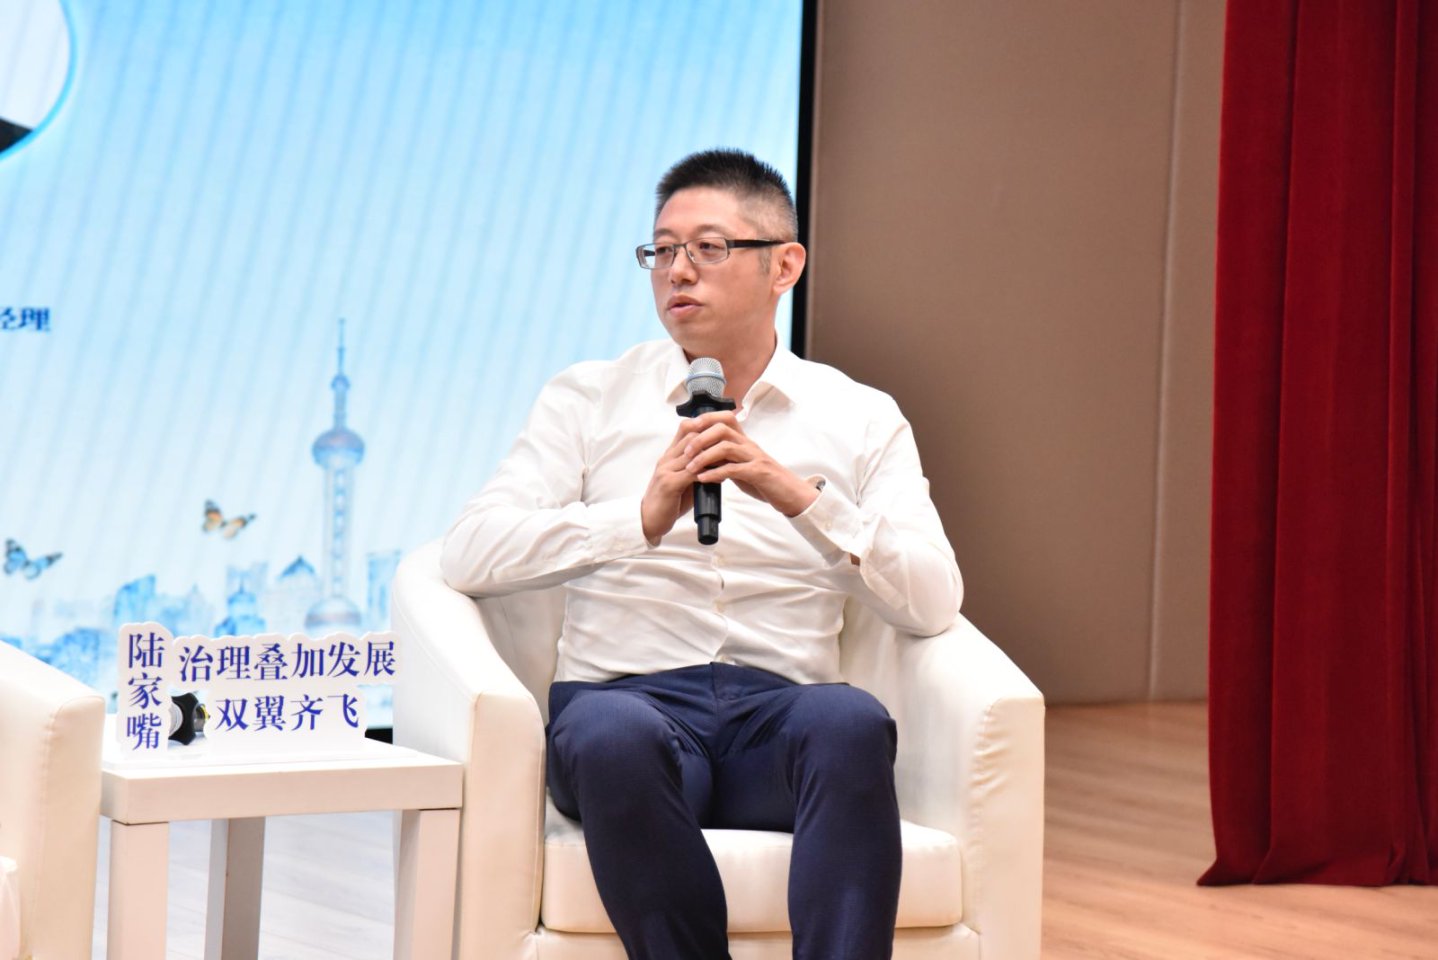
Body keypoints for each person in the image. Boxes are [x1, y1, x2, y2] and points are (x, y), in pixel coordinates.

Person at [441, 149, 962, 960]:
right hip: (626, 707)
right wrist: (637, 519)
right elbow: (470, 552)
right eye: (661, 250)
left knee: (850, 722)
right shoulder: (589, 398)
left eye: (709, 248)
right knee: (612, 735)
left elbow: (933, 599)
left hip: (777, 718)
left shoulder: (860, 416)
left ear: (784, 265)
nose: (677, 271)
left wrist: (799, 497)